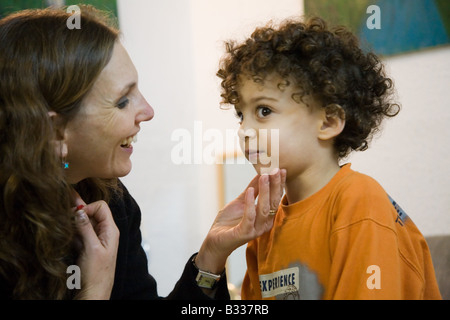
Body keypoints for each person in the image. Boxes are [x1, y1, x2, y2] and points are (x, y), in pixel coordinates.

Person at [0, 5, 286, 300]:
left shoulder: (110, 203)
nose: (148, 111)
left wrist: (211, 254)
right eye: (123, 101)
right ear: (55, 131)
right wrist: (94, 292)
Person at [216, 16, 442, 299]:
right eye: (241, 115)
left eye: (263, 111)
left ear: (328, 122)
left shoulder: (360, 200)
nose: (244, 131)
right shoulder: (264, 227)